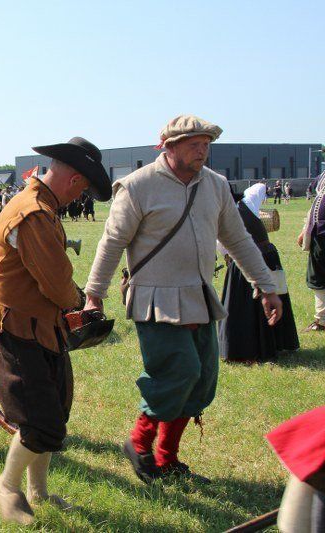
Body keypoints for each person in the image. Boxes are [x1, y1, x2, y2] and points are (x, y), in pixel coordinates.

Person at [84, 115, 281, 484]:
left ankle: (167, 458)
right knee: (177, 373)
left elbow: (238, 240)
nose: (202, 151)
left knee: (202, 379)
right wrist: (94, 294)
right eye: (194, 144)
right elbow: (111, 243)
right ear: (168, 146)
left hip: (199, 298)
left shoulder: (216, 185)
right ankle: (138, 444)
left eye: (206, 144)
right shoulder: (137, 186)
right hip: (154, 298)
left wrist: (266, 287)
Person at [0, 137, 112, 525]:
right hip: (16, 329)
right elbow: (55, 283)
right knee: (40, 420)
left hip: (40, 328)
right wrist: (79, 300)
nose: (80, 196)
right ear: (74, 180)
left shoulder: (43, 207)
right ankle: (7, 487)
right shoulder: (34, 213)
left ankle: (39, 492)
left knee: (54, 411)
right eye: (83, 189)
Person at [218, 184, 298, 362]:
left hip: (244, 260)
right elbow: (261, 186)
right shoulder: (247, 203)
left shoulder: (228, 210)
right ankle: (273, 344)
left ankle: (248, 348)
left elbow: (222, 248)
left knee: (244, 305)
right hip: (264, 256)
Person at [298, 174, 325, 331]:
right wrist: (305, 230)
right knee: (318, 276)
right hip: (319, 235)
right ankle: (322, 319)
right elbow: (316, 205)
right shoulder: (322, 177)